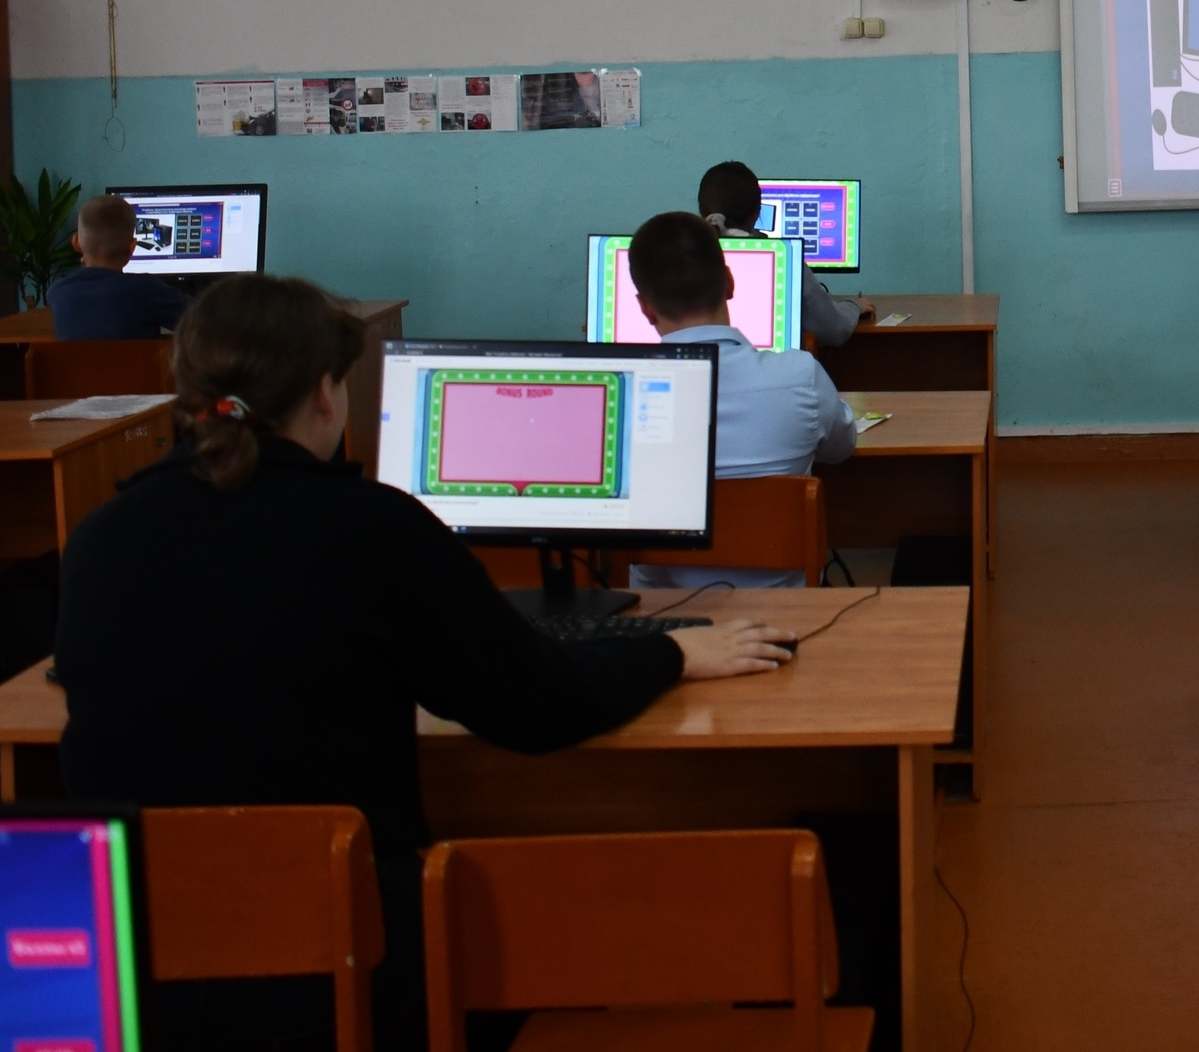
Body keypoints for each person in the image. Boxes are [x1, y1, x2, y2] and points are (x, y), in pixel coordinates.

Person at [56, 274, 795, 1052]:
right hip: (341, 974)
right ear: (325, 394)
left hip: (135, 974)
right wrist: (671, 651)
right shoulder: (372, 527)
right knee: (525, 947)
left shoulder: (101, 536)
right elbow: (533, 706)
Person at [623, 211, 861, 593]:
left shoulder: (615, 402)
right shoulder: (801, 376)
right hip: (787, 615)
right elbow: (842, 447)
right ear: (730, 282)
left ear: (644, 308)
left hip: (662, 617)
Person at [699, 161, 871, 349]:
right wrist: (854, 306)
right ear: (757, 213)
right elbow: (834, 331)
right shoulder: (784, 259)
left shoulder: (687, 256)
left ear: (702, 211)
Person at [46, 193, 194, 340]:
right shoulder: (147, 290)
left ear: (76, 243)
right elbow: (201, 320)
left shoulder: (57, 292)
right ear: (132, 247)